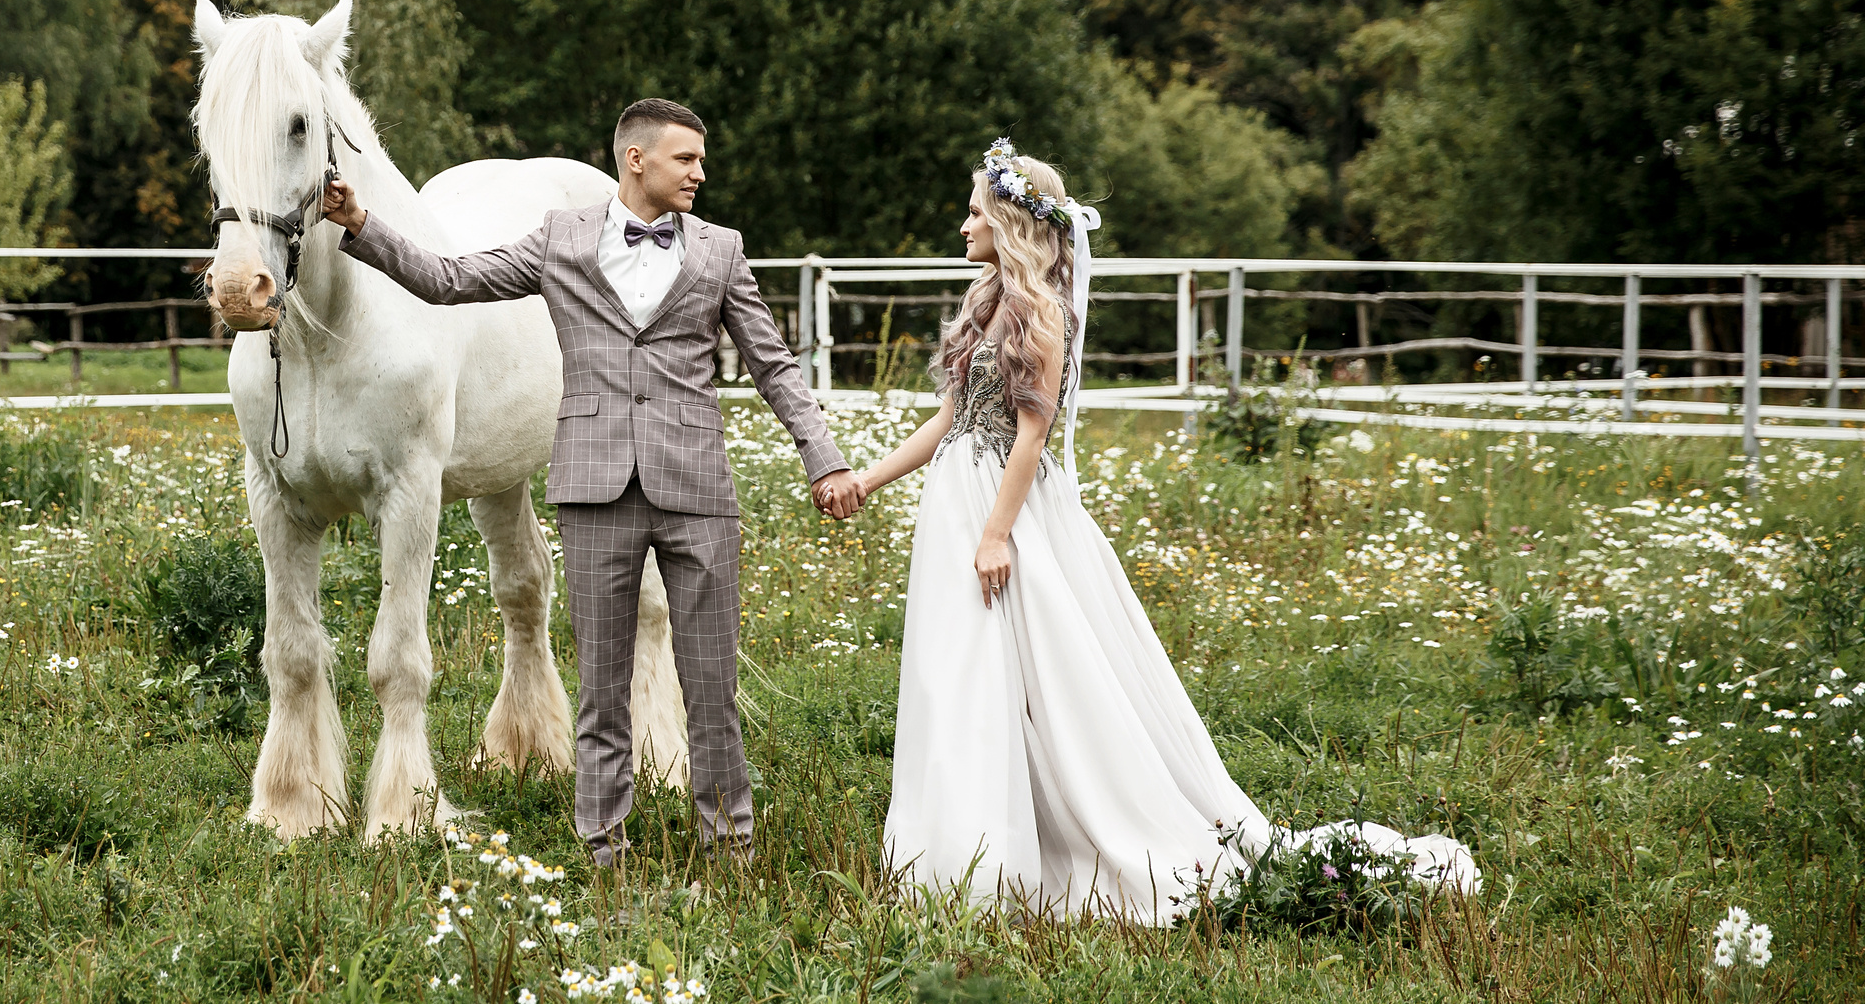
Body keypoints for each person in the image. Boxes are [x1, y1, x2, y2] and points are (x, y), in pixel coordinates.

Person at [854, 139, 1477, 919]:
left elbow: (1031, 436)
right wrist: (868, 478)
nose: (963, 222)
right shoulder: (983, 304)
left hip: (1002, 508)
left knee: (1025, 675)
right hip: (955, 498)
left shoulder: (1042, 312)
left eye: (975, 209)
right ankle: (955, 842)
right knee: (955, 670)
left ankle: (1014, 850)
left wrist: (996, 532)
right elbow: (952, 416)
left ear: (1010, 219)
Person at [321, 98, 862, 865]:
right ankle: (603, 850)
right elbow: (447, 280)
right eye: (687, 158)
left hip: (698, 493)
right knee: (601, 698)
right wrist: (362, 225)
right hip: (594, 491)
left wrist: (826, 457)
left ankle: (730, 848)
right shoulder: (560, 239)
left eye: (702, 160)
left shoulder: (720, 250)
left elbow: (774, 366)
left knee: (710, 692)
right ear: (635, 158)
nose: (701, 172)